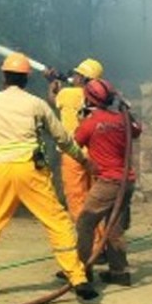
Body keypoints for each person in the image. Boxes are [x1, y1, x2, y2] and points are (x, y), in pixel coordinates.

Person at [0, 52, 99, 304]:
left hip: (1, 169)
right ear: (26, 79)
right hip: (30, 168)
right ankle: (78, 279)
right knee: (57, 222)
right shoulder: (36, 104)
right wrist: (83, 159)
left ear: (4, 76)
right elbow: (62, 137)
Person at [73, 78, 142, 287]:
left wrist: (81, 119)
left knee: (85, 222)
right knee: (114, 226)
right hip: (126, 182)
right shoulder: (123, 120)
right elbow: (137, 130)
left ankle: (81, 271)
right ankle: (119, 272)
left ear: (88, 98)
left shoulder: (90, 123)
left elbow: (75, 143)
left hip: (108, 182)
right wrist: (126, 109)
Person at [45, 58, 105, 219]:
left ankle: (83, 231)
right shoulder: (101, 98)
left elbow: (53, 99)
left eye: (77, 74)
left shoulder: (67, 94)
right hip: (96, 153)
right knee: (95, 197)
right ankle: (100, 233)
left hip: (73, 153)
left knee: (76, 195)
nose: (74, 76)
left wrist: (51, 82)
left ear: (83, 78)